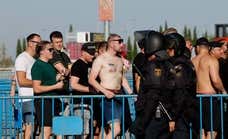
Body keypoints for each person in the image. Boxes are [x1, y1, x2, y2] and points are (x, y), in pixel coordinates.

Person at [130, 30, 174, 139]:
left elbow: (153, 94)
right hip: (164, 114)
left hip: (154, 115)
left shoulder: (154, 65)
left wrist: (143, 121)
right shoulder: (168, 63)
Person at [89, 34, 132, 139]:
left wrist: (131, 93)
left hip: (119, 96)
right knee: (115, 129)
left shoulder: (119, 59)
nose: (122, 44)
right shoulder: (101, 59)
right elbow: (91, 79)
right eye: (119, 41)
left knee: (116, 129)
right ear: (111, 43)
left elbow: (121, 78)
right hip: (107, 97)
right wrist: (105, 92)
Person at [192, 37, 226, 139]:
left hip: (196, 98)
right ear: (209, 47)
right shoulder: (211, 60)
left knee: (201, 132)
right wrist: (223, 90)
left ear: (197, 48)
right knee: (212, 132)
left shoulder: (192, 61)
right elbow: (215, 80)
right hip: (209, 98)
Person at [31, 41, 64, 139]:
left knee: (59, 129)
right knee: (47, 130)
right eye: (50, 50)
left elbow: (48, 81)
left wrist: (58, 78)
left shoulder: (49, 64)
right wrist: (56, 86)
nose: (52, 51)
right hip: (43, 101)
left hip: (54, 100)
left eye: (52, 49)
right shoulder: (37, 65)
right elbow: (36, 88)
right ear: (41, 52)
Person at [14, 33, 41, 139]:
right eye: (37, 43)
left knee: (34, 129)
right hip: (27, 99)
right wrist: (39, 83)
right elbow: (21, 81)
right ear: (30, 43)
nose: (39, 46)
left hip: (35, 98)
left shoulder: (34, 59)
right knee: (29, 128)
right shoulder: (22, 58)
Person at [70, 42, 96, 138]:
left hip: (90, 102)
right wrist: (89, 89)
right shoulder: (77, 65)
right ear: (83, 52)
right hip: (80, 103)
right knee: (82, 131)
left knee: (89, 130)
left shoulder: (92, 63)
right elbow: (73, 84)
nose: (92, 55)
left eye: (93, 53)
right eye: (90, 53)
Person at [49, 31, 72, 96]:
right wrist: (67, 71)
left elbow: (72, 71)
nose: (59, 44)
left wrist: (68, 71)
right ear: (51, 43)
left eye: (61, 42)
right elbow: (64, 71)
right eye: (56, 42)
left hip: (66, 91)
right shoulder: (51, 55)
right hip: (56, 92)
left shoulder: (64, 55)